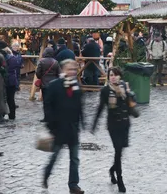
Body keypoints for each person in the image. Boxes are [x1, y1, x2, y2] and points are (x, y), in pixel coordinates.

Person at [43, 59, 85, 194]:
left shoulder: (76, 86)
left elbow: (79, 105)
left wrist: (82, 122)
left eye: (74, 69)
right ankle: (46, 174)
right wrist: (51, 126)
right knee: (55, 155)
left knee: (74, 158)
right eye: (69, 69)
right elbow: (48, 106)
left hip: (73, 128)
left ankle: (73, 185)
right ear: (63, 70)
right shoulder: (54, 85)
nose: (72, 71)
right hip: (59, 128)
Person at [91, 67, 133, 193]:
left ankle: (112, 169)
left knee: (120, 152)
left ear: (120, 76)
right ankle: (120, 180)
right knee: (118, 150)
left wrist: (127, 94)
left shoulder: (124, 87)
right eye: (110, 75)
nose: (113, 77)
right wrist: (94, 124)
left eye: (115, 75)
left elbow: (130, 105)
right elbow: (100, 108)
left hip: (125, 124)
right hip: (113, 126)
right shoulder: (105, 90)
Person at [36, 47, 61, 121]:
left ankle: (47, 117)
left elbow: (38, 73)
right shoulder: (55, 62)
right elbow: (59, 73)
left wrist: (41, 77)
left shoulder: (41, 61)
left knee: (46, 102)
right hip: (54, 84)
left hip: (44, 84)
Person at [5, 44, 23, 120]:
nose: (15, 48)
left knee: (7, 98)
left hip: (10, 77)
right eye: (14, 46)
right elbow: (17, 64)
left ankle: (4, 115)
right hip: (12, 78)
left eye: (16, 46)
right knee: (10, 98)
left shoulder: (17, 55)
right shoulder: (13, 58)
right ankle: (11, 115)